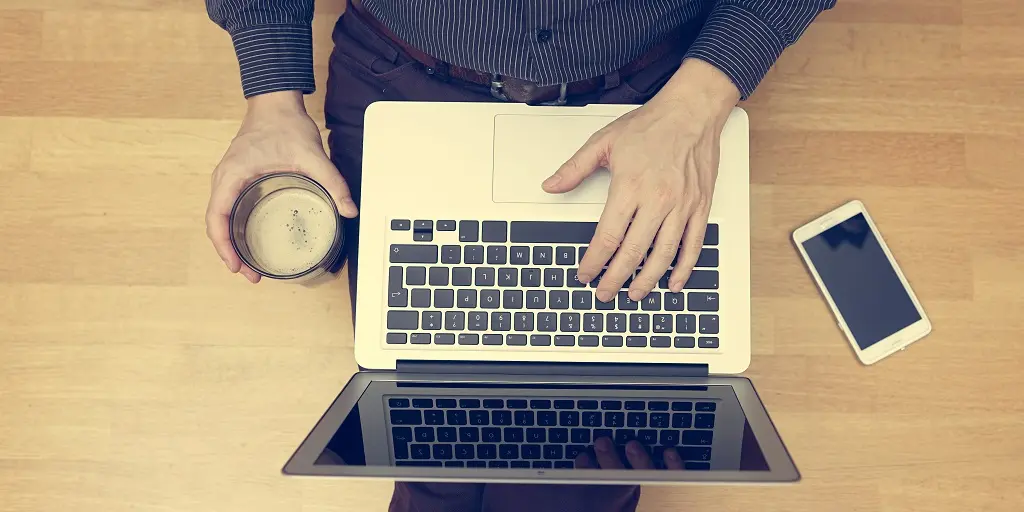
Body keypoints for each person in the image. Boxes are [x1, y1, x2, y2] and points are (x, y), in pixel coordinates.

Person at [205, 1, 833, 510]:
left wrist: (698, 102)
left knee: (575, 467)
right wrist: (273, 100)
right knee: (440, 449)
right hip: (404, 73)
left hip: (653, 94)